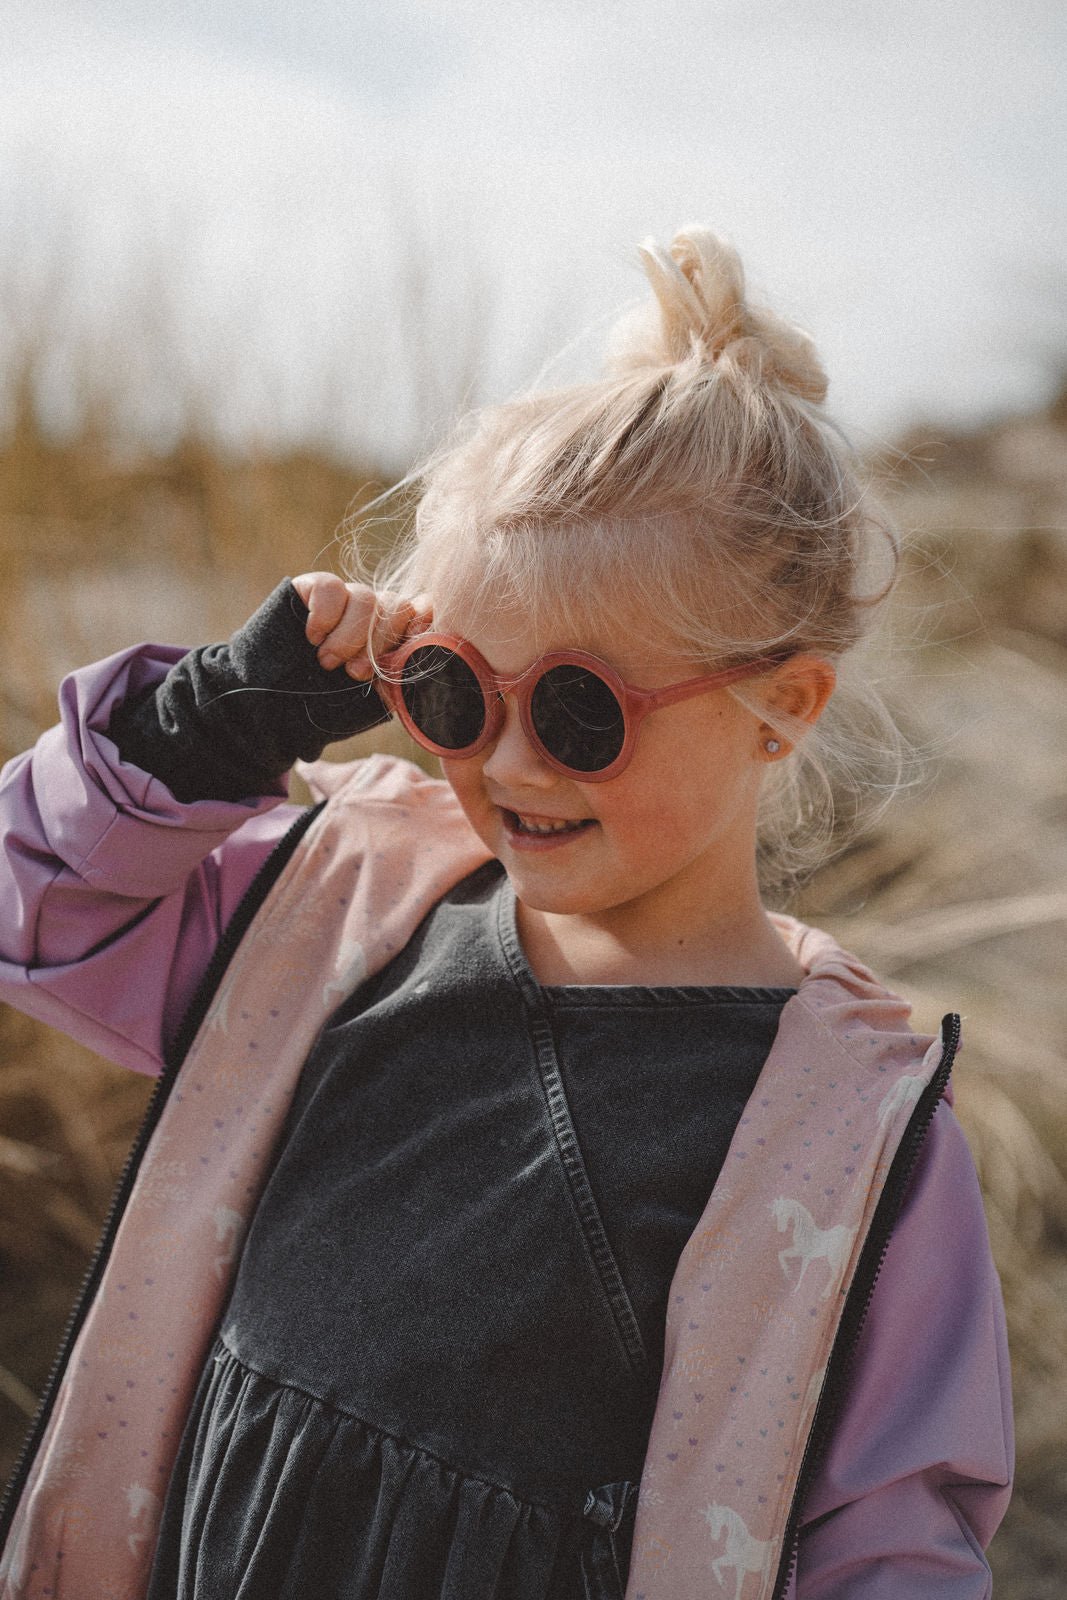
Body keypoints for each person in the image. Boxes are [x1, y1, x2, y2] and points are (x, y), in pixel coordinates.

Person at [0, 228, 1012, 1600]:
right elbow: (38, 907)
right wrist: (211, 728)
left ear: (782, 702)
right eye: (459, 696)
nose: (513, 765)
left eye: (586, 711)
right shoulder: (329, 914)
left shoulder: (850, 1132)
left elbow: (894, 1542)